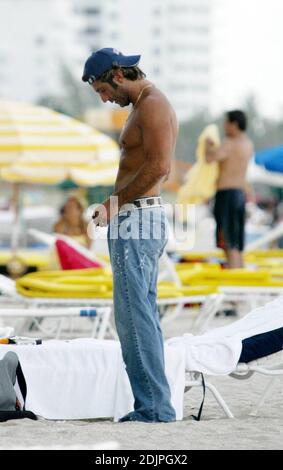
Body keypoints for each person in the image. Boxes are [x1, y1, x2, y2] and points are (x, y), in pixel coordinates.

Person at [82, 48, 178, 423]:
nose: (106, 99)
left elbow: (159, 166)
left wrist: (113, 204)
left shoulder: (152, 104)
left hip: (136, 220)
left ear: (118, 75)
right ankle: (155, 403)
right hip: (137, 218)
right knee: (140, 315)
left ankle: (154, 407)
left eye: (104, 90)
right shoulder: (145, 105)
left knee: (133, 317)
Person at [205, 110, 254, 269]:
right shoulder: (248, 144)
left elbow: (209, 158)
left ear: (234, 124)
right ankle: (239, 273)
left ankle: (234, 278)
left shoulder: (229, 143)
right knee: (237, 242)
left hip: (226, 195)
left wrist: (207, 145)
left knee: (228, 241)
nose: (224, 126)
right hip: (239, 194)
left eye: (226, 122)